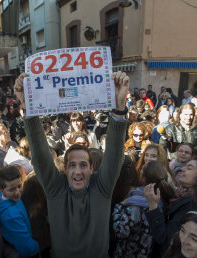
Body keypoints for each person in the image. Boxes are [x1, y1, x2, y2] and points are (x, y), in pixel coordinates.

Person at [14, 71, 129, 258]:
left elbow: (115, 155)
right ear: (64, 169)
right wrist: (28, 109)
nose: (78, 170)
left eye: (83, 165)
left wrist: (119, 107)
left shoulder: (102, 189)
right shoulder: (55, 190)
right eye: (72, 165)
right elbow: (41, 157)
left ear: (92, 169)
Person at [143, 156, 197, 257]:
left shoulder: (193, 205)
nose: (182, 169)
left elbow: (164, 238)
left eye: (189, 168)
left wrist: (153, 206)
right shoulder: (185, 195)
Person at [113, 160, 174, 257]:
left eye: (141, 170)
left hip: (130, 253)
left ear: (144, 179)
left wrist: (118, 207)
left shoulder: (136, 204)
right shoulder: (161, 197)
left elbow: (122, 232)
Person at [0, 165, 39, 258]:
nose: (17, 192)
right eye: (12, 189)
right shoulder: (11, 216)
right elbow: (25, 247)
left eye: (19, 186)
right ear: (2, 189)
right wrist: (37, 246)